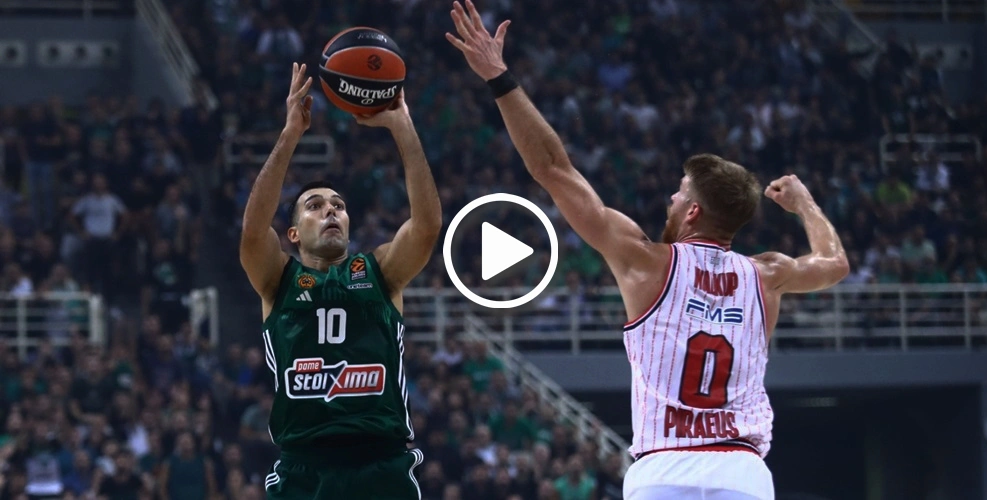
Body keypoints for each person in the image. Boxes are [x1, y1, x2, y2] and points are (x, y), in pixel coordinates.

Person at [446, 3, 850, 499]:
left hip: (663, 468)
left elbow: (552, 167)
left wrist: (499, 77)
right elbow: (835, 263)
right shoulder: (769, 274)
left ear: (693, 212)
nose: (671, 198)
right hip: (742, 473)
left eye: (680, 193)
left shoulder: (645, 261)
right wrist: (805, 203)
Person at [239, 63, 442, 499]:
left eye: (339, 205)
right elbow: (253, 232)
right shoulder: (279, 279)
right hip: (303, 468)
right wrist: (290, 134)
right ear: (293, 234)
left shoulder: (380, 270)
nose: (331, 209)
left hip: (381, 463)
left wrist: (402, 126)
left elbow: (426, 227)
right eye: (314, 206)